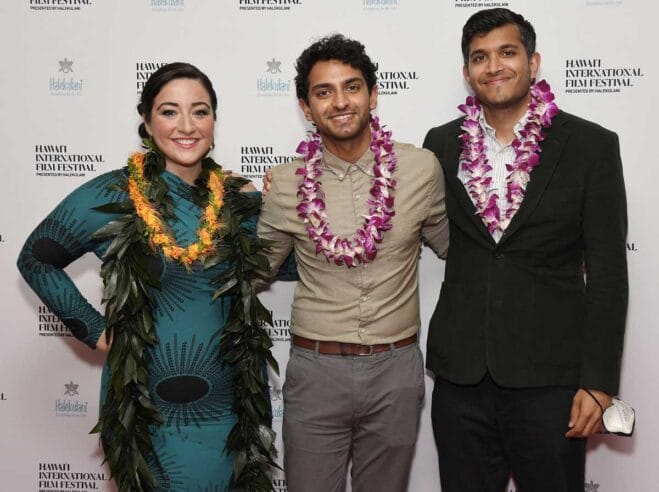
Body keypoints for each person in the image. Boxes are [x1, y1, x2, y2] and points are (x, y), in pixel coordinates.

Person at [17, 62, 276, 491]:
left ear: (215, 119)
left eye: (201, 111)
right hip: (148, 417)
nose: (187, 126)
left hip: (233, 412)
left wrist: (283, 203)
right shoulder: (115, 194)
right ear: (147, 120)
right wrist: (96, 331)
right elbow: (35, 259)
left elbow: (286, 264)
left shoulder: (238, 199)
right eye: (170, 111)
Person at [423, 8, 628, 492]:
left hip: (551, 382)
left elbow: (608, 274)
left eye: (507, 53)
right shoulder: (440, 145)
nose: (494, 66)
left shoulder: (590, 146)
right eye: (480, 57)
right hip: (461, 381)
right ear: (467, 71)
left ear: (533, 62)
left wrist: (598, 382)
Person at [257, 34, 449, 492]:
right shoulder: (285, 184)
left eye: (352, 86)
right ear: (306, 106)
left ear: (373, 94)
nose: (340, 102)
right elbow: (256, 269)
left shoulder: (421, 169)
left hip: (396, 370)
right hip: (316, 370)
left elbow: (457, 247)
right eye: (324, 92)